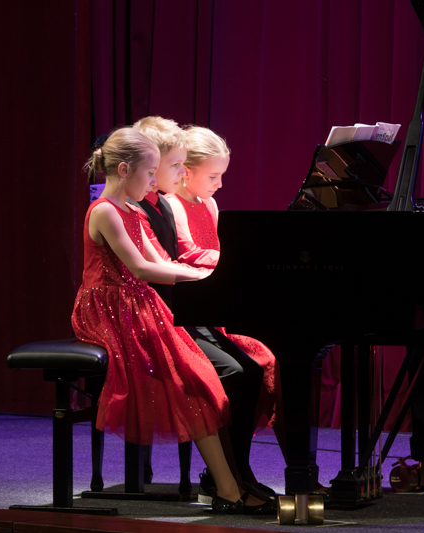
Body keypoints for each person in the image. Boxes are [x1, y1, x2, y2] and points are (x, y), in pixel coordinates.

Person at [72, 127, 274, 514]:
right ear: (124, 169)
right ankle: (229, 489)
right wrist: (203, 276)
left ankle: (231, 484)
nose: (154, 182)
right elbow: (141, 267)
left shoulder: (133, 210)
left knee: (206, 379)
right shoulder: (104, 211)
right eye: (150, 173)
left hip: (140, 303)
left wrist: (207, 275)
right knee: (194, 380)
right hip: (111, 309)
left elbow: (161, 261)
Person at [128, 117, 275, 502]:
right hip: (151, 314)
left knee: (252, 368)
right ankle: (228, 479)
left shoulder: (165, 203)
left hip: (181, 306)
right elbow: (161, 263)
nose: (180, 175)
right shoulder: (135, 209)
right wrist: (223, 266)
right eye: (175, 166)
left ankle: (237, 473)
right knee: (234, 371)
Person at [165, 125, 284, 456]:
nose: (219, 184)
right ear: (185, 172)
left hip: (217, 300)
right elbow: (188, 253)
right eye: (213, 176)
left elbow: (216, 249)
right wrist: (236, 260)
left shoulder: (209, 204)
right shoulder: (172, 204)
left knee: (271, 357)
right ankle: (234, 461)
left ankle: (255, 459)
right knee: (258, 361)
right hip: (193, 307)